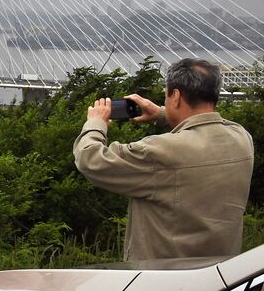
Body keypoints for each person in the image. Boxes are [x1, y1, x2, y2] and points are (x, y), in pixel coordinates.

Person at [74, 58, 254, 262]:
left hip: (163, 279)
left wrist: (96, 123)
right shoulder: (241, 138)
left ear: (176, 96)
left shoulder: (160, 152)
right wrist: (161, 113)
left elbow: (90, 159)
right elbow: (201, 127)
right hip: (221, 275)